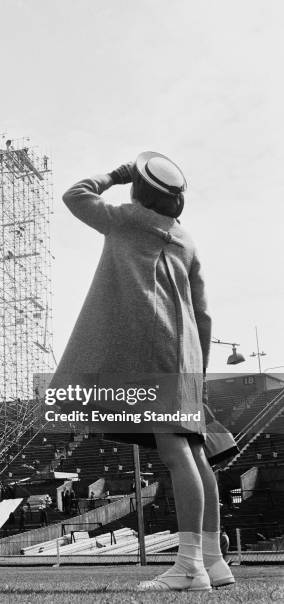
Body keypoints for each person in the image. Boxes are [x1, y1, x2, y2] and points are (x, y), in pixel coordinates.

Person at [50, 152, 234, 592]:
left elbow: (75, 195)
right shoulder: (186, 239)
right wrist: (198, 369)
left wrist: (115, 174)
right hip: (185, 352)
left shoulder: (128, 219)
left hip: (151, 349)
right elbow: (204, 314)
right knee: (193, 449)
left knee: (175, 453)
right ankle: (213, 558)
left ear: (140, 190)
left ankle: (190, 567)